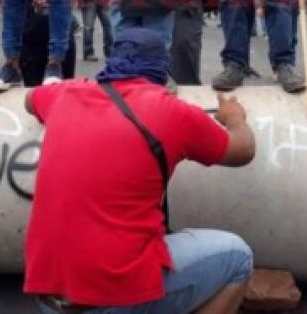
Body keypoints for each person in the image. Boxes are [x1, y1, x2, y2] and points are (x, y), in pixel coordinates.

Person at [23, 28, 255, 313]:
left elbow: (29, 99)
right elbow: (243, 151)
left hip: (50, 298)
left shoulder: (66, 94)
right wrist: (235, 118)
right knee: (238, 259)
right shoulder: (170, 110)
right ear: (161, 69)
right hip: (114, 299)